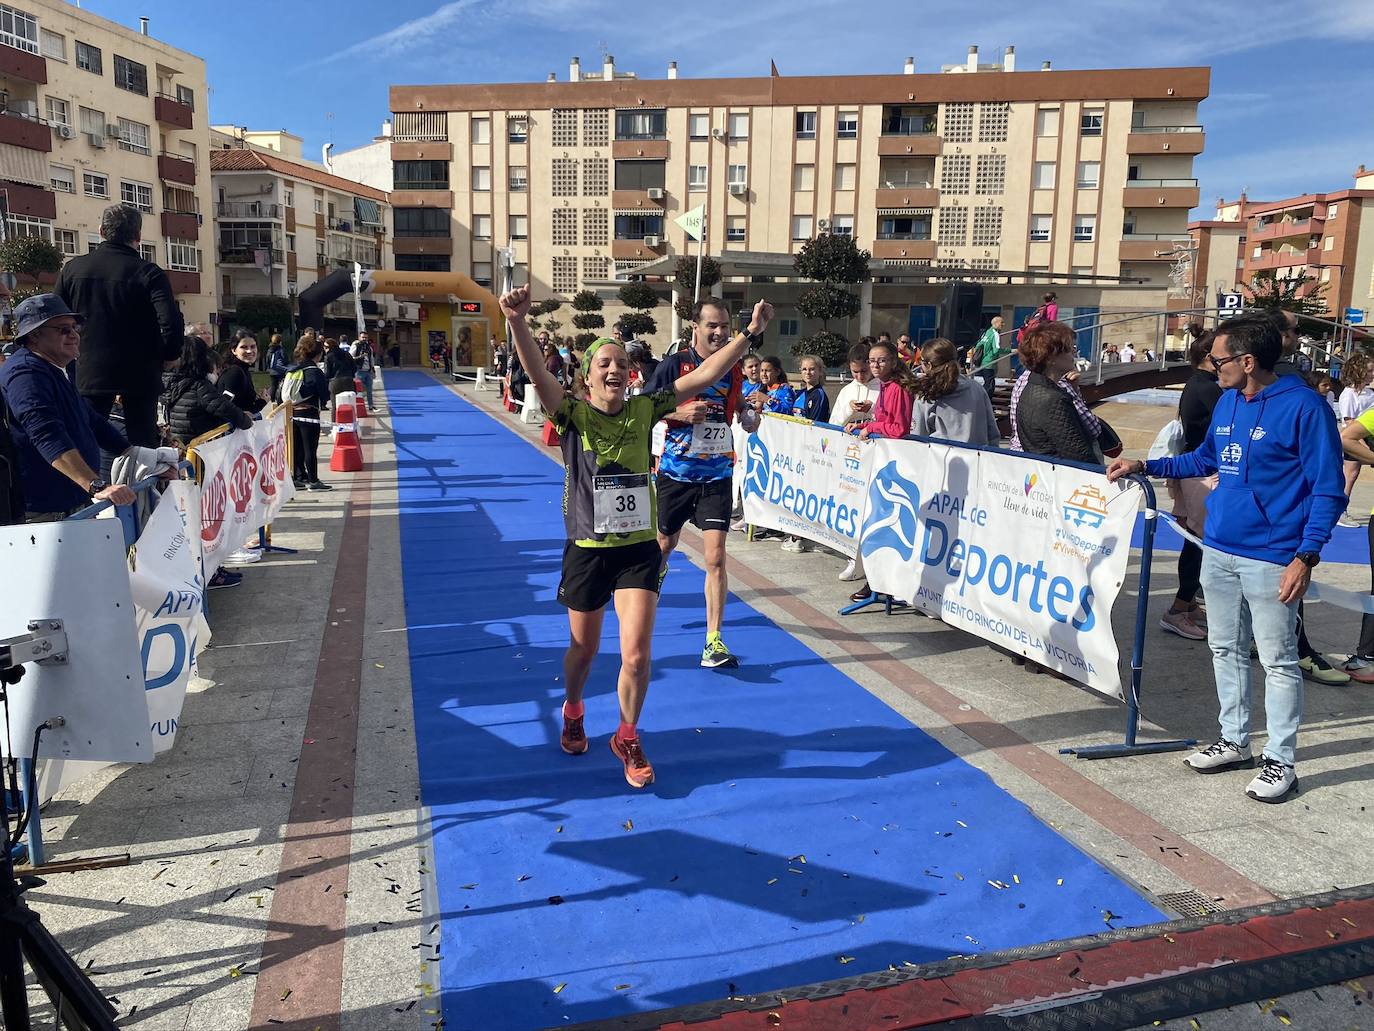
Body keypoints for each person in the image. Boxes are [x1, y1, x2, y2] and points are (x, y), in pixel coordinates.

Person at [500, 284, 773, 788]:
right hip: (587, 551)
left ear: (632, 374)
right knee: (584, 652)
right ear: (585, 378)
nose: (614, 369)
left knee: (637, 654)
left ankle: (627, 734)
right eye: (603, 363)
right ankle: (575, 708)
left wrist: (751, 335)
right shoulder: (572, 415)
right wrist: (517, 321)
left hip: (636, 552)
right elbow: (539, 375)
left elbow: (708, 373)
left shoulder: (645, 408)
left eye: (621, 363)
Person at [1107, 314, 1345, 803]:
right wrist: (1144, 465)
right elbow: (1204, 460)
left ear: (1249, 360)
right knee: (1224, 648)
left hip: (1275, 556)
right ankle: (1235, 740)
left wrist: (1306, 555)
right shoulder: (1229, 402)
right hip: (1219, 549)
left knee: (1278, 661)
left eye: (1219, 359)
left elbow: (1327, 489)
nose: (1212, 367)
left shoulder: (1305, 408)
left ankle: (1281, 760)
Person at [646, 297, 764, 670]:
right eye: (712, 325)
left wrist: (746, 413)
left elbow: (735, 404)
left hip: (717, 475)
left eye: (725, 326)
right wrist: (677, 411)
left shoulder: (731, 368)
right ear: (694, 327)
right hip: (675, 474)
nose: (719, 332)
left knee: (715, 558)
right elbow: (641, 406)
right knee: (664, 544)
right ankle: (655, 577)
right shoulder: (674, 364)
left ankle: (713, 641)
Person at [54, 203, 184, 447]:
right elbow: (169, 320)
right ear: (138, 237)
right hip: (140, 371)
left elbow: (57, 316)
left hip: (89, 368)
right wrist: (170, 353)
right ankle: (139, 485)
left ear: (101, 231)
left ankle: (88, 484)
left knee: (86, 437)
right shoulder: (150, 273)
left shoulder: (73, 269)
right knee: (143, 444)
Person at [0, 295, 137, 520]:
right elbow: (45, 433)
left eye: (75, 327)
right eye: (63, 329)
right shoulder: (25, 374)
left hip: (71, 503)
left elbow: (90, 419)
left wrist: (135, 452)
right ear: (35, 335)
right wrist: (96, 486)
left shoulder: (57, 367)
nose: (74, 335)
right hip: (46, 513)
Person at [1158, 328, 1223, 641]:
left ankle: (1188, 605)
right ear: (1212, 357)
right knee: (1199, 543)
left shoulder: (1196, 384)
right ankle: (1178, 608)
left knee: (1193, 541)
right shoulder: (1209, 388)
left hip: (1191, 470)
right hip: (1201, 473)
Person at [1008, 322, 1103, 464]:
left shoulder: (1029, 385)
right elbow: (1080, 451)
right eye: (1069, 349)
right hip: (1057, 474)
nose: (1073, 353)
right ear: (1051, 358)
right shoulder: (1054, 398)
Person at [163, 332, 254, 443]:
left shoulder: (171, 383)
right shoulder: (199, 386)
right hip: (201, 447)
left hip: (180, 443)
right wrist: (246, 420)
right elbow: (225, 408)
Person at [910, 338, 999, 445]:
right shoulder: (977, 389)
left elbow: (917, 439)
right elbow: (992, 432)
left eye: (921, 361)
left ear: (929, 365)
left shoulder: (926, 395)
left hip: (942, 458)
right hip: (976, 457)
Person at [283, 336, 332, 491]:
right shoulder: (314, 371)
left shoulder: (293, 369)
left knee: (297, 447)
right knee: (310, 449)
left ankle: (298, 477)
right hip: (309, 414)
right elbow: (325, 396)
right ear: (318, 355)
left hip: (293, 413)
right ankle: (313, 480)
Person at [1336, 353, 1373, 526]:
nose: (1372, 374)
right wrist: (1364, 445)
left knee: (1353, 474)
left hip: (1364, 438)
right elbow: (1349, 421)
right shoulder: (1349, 394)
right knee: (1350, 474)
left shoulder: (1368, 393)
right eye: (1369, 371)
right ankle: (1340, 509)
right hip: (1354, 439)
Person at [217, 333, 269, 418]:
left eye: (253, 347)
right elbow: (224, 407)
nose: (249, 351)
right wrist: (262, 402)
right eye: (244, 347)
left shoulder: (242, 370)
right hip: (233, 429)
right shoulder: (235, 372)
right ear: (234, 350)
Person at [834, 340, 880, 429]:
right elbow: (833, 424)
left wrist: (872, 409)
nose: (860, 376)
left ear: (871, 365)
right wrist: (849, 409)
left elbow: (891, 422)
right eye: (855, 372)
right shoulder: (846, 391)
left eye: (864, 371)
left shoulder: (883, 388)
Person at [970, 316, 1008, 398]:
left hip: (982, 362)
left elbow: (978, 345)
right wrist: (1009, 351)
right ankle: (983, 402)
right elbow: (996, 350)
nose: (1003, 324)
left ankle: (981, 400)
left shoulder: (987, 332)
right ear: (996, 323)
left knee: (987, 383)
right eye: (1002, 322)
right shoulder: (995, 334)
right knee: (990, 386)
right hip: (990, 363)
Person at [323, 337, 358, 410]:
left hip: (335, 381)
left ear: (330, 348)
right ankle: (350, 420)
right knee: (349, 405)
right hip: (348, 380)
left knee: (335, 407)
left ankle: (335, 421)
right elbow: (354, 367)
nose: (324, 348)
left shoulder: (328, 357)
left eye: (326, 347)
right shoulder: (346, 354)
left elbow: (327, 373)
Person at [353, 331, 377, 410]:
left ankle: (371, 405)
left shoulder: (369, 347)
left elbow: (371, 359)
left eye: (366, 337)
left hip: (368, 371)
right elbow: (350, 357)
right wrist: (360, 357)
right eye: (363, 337)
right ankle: (359, 406)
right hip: (359, 371)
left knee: (369, 389)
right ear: (359, 338)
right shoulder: (356, 346)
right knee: (359, 390)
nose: (364, 339)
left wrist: (373, 368)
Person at [267, 335, 288, 402]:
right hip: (280, 370)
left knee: (274, 385)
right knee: (281, 385)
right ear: (280, 341)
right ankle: (280, 399)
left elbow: (268, 359)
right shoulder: (281, 349)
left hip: (273, 370)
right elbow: (285, 359)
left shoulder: (270, 350)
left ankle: (272, 399)